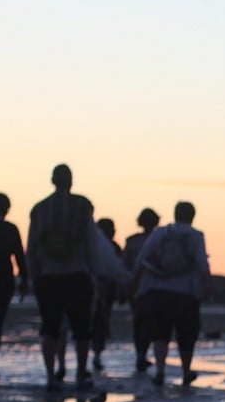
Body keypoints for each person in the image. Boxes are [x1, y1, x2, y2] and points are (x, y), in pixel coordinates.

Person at [28, 164, 95, 390]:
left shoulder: (40, 208)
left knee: (50, 327)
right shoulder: (83, 206)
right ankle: (80, 374)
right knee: (82, 328)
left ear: (52, 181)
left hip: (48, 276)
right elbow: (91, 243)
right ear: (71, 181)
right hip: (77, 274)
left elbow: (32, 246)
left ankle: (50, 376)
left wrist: (32, 275)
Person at [136, 201, 209, 386]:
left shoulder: (161, 233)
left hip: (159, 290)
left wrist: (135, 284)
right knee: (186, 334)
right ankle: (186, 371)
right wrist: (206, 285)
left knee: (160, 333)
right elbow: (202, 264)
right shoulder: (195, 236)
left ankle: (160, 370)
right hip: (187, 292)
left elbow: (143, 258)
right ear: (192, 216)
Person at [0, 193, 27, 383]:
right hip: (2, 281)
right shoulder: (10, 229)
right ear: (7, 209)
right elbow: (19, 256)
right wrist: (24, 279)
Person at [123, 209, 159, 371]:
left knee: (138, 321)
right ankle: (141, 354)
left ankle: (140, 353)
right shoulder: (159, 239)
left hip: (134, 285)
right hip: (152, 286)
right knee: (149, 321)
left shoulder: (132, 241)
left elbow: (124, 265)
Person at [90, 218, 122, 372]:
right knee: (100, 323)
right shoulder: (113, 247)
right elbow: (118, 271)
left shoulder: (90, 243)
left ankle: (94, 354)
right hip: (104, 290)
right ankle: (96, 354)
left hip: (96, 289)